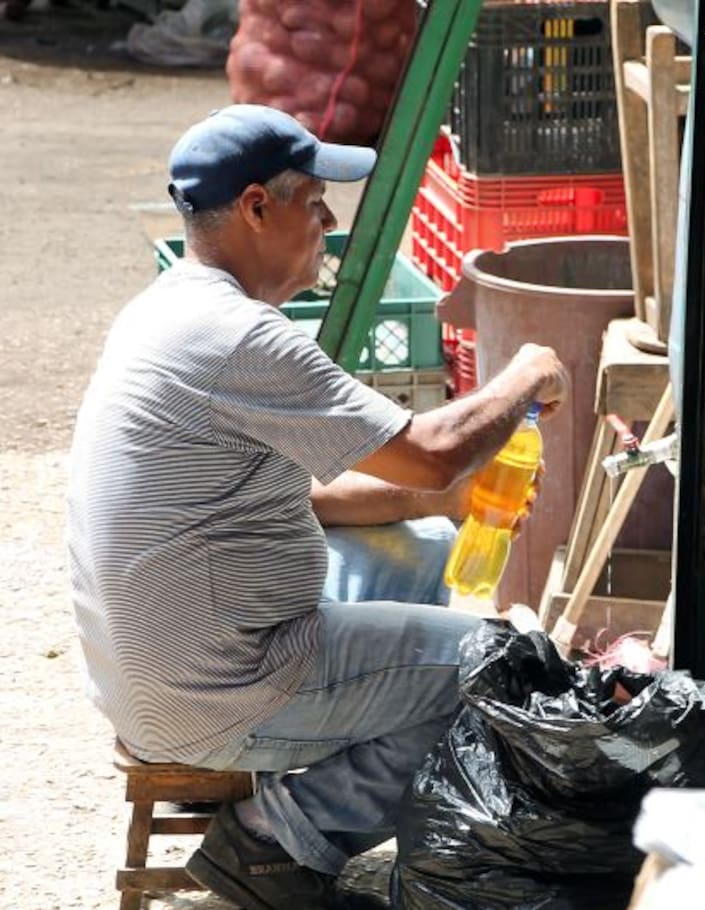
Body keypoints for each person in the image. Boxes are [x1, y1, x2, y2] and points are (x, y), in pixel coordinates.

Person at [66, 105, 569, 910]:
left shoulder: (166, 309)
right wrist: (527, 372)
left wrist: (446, 492)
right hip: (211, 689)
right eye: (313, 203)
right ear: (258, 207)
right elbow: (434, 447)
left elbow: (308, 494)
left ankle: (322, 771)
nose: (329, 223)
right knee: (502, 666)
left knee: (425, 540)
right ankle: (277, 838)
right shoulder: (239, 338)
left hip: (149, 671)